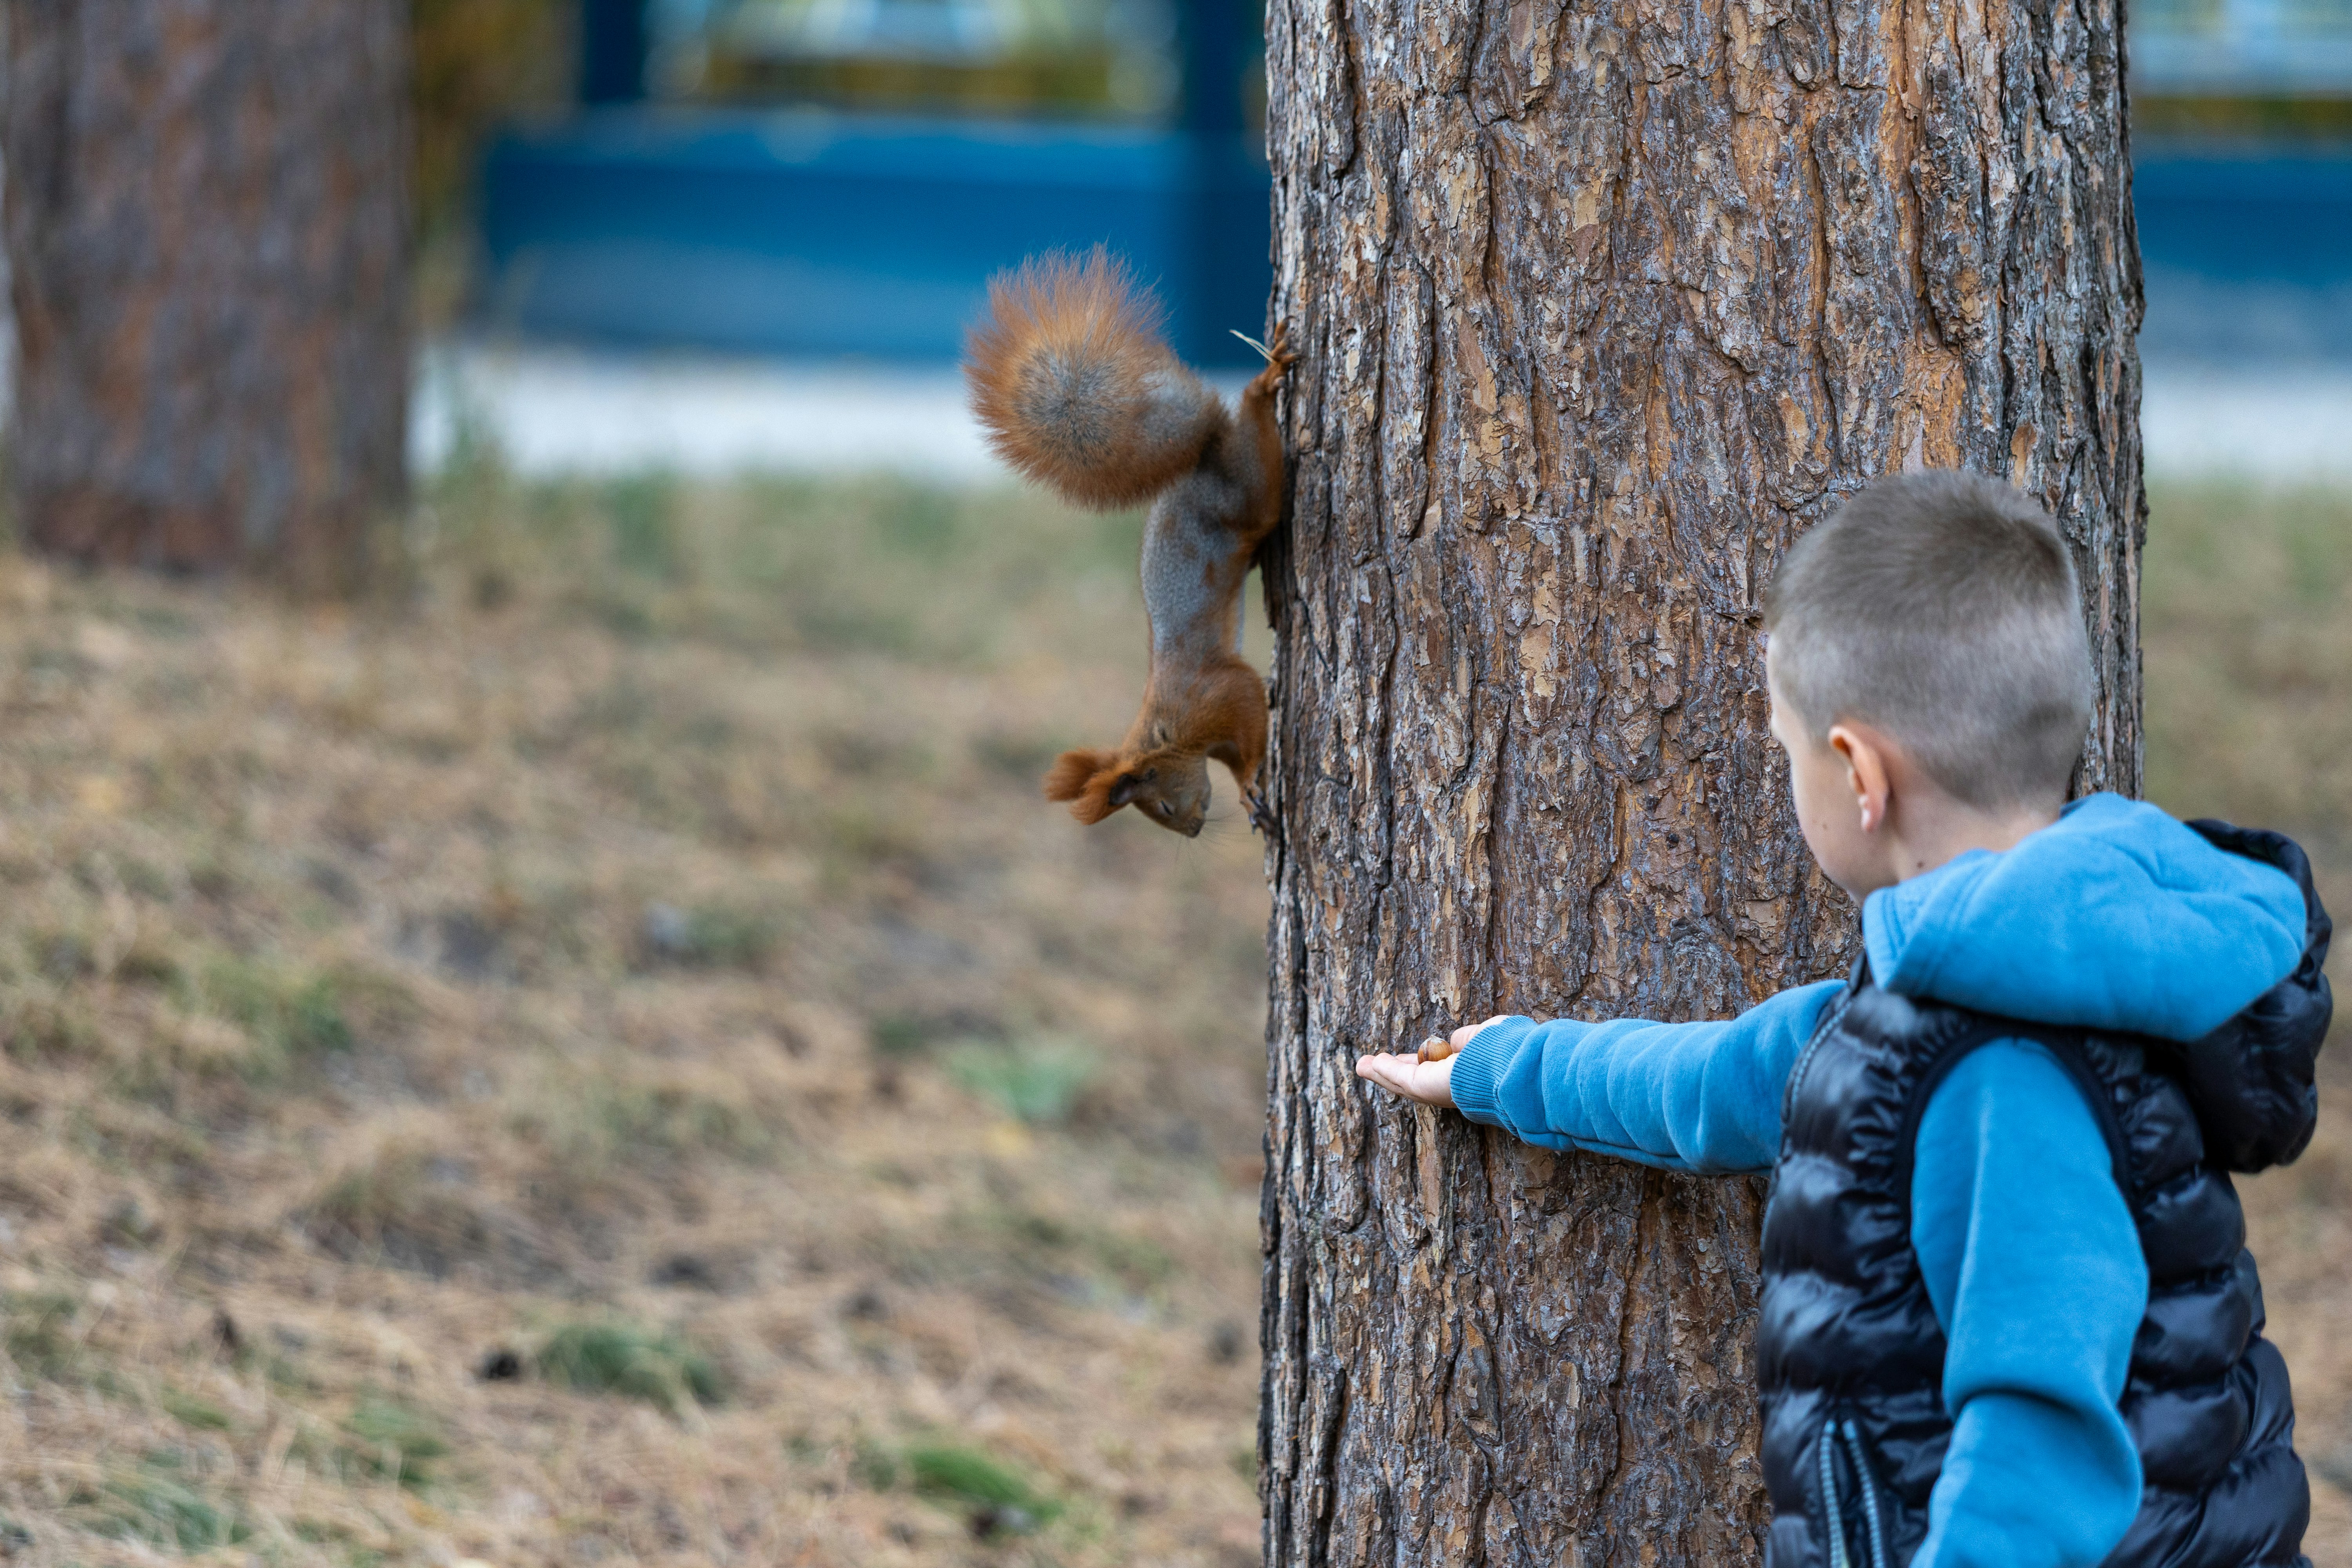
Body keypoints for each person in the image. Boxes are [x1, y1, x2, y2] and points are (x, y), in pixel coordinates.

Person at [1356, 470, 2332, 1568]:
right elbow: (1722, 1082)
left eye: (1783, 750)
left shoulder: (2004, 1074)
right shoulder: (1946, 1009)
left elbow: (2042, 1446)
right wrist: (1505, 1066)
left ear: (1859, 773)